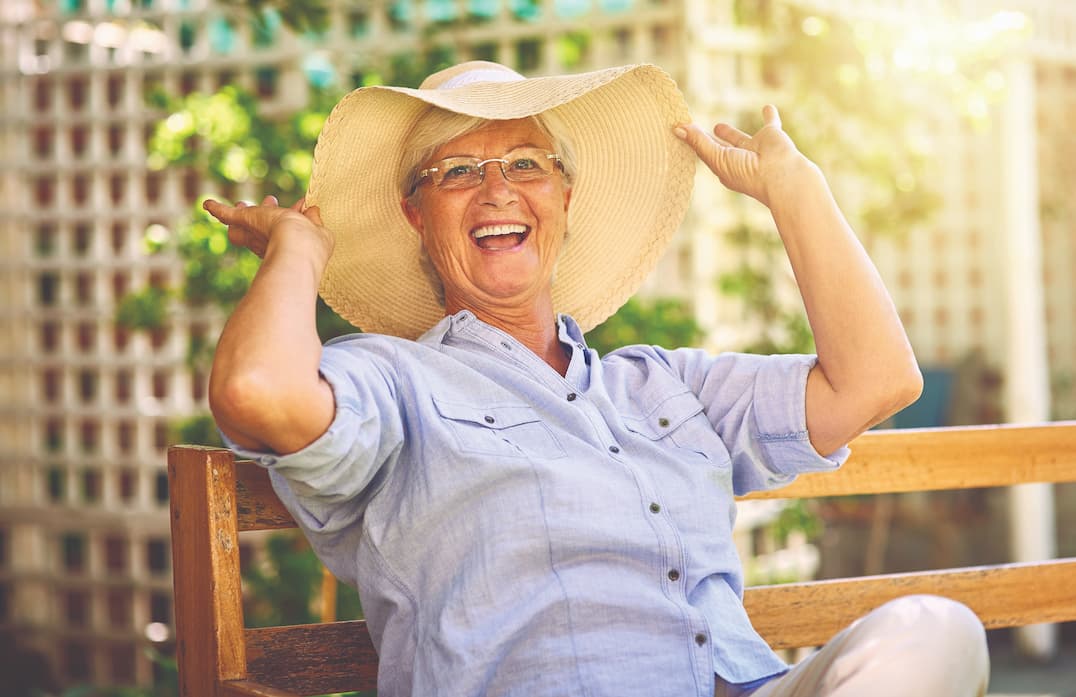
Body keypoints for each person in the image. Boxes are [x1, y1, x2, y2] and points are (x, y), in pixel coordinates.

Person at [203, 61, 989, 697]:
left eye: (524, 163)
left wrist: (794, 189)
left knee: (933, 631)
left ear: (565, 198)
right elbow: (257, 393)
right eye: (458, 172)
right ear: (417, 215)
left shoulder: (660, 385)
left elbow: (877, 381)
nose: (497, 188)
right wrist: (301, 251)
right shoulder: (393, 382)